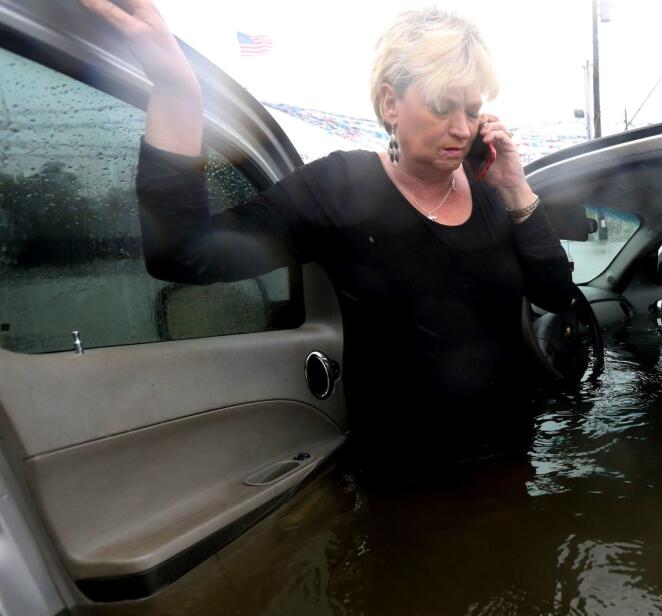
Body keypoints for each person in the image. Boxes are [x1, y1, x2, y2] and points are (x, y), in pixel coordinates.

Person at [81, 0, 576, 464]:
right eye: (443, 106)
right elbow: (183, 255)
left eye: (472, 110)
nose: (462, 129)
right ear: (391, 103)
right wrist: (177, 92)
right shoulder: (340, 187)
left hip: (511, 464)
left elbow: (555, 294)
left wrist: (516, 188)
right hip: (404, 487)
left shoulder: (491, 193)